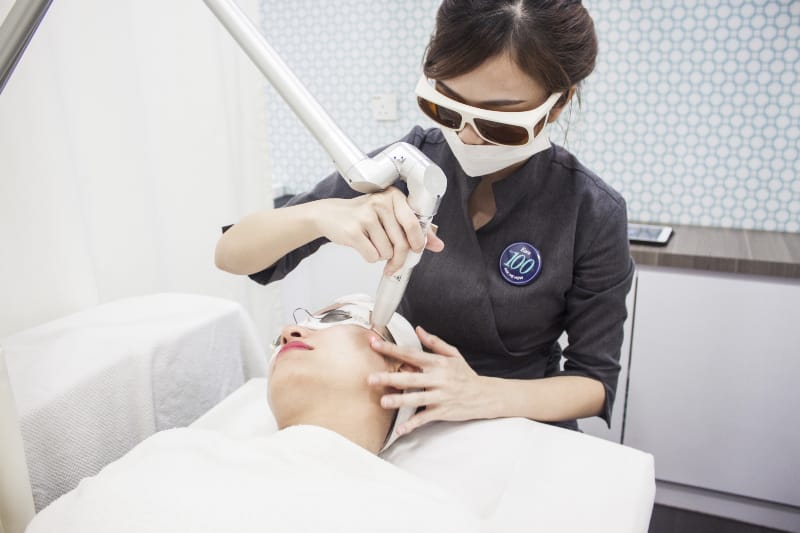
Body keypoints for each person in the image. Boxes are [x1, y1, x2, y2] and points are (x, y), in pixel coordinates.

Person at [216, 0, 634, 437]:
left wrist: (481, 393)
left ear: (559, 103)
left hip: (523, 420)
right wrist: (322, 214)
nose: (466, 136)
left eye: (498, 122)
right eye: (448, 108)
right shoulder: (408, 164)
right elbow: (232, 254)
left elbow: (594, 382)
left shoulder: (591, 210)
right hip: (408, 416)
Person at [25, 297, 480, 533]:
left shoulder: (423, 515)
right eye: (289, 329)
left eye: (336, 317)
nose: (289, 330)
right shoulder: (171, 451)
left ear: (403, 371)